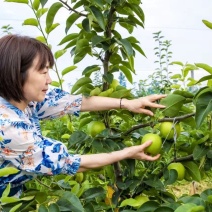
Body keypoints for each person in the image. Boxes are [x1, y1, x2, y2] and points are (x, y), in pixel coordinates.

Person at [0, 34, 166, 197]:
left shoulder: (26, 101)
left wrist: (127, 103)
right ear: (17, 74)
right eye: (43, 72)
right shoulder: (7, 125)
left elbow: (73, 102)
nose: (49, 79)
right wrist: (126, 153)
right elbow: (67, 163)